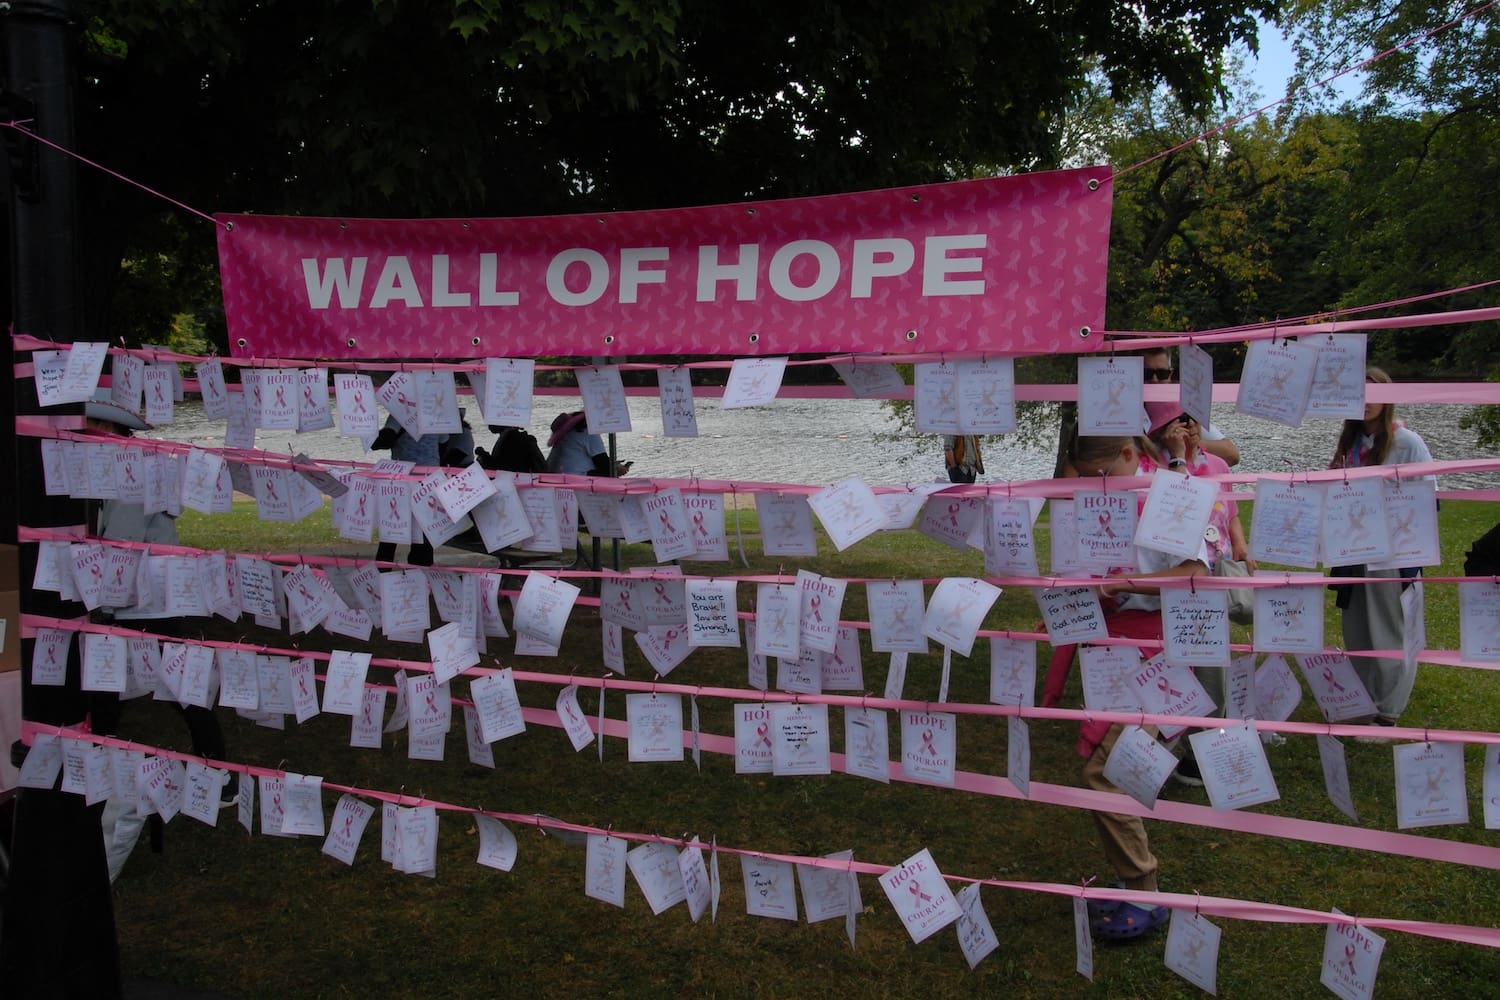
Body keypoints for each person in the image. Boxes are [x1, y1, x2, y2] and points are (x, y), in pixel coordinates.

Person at [81, 394, 234, 880]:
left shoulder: (128, 472)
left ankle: (214, 772)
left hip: (143, 599)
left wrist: (100, 607)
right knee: (156, 688)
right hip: (150, 596)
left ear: (107, 430)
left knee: (150, 686)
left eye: (90, 427)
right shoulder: (136, 465)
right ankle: (210, 771)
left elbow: (121, 544)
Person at [1067, 431, 1209, 940]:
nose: (1097, 487)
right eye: (1088, 481)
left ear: (1130, 454)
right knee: (1106, 768)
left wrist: (1126, 585)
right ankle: (1135, 884)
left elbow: (1196, 570)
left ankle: (1145, 893)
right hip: (1115, 650)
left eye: (1103, 474)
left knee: (1106, 772)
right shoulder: (1106, 502)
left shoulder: (1170, 497)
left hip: (1158, 656)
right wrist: (1075, 610)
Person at [1141, 400, 1253, 784]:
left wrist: (1240, 546)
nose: (1184, 429)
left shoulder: (1217, 466)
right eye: (1173, 424)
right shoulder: (1153, 467)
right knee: (1169, 664)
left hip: (1211, 575)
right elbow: (1177, 506)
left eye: (1189, 421)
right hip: (1172, 573)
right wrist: (1178, 457)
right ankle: (1154, 745)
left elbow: (1231, 512)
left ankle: (1198, 753)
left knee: (1209, 666)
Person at [1328, 367, 1433, 735]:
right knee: (1358, 631)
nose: (1366, 403)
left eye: (1373, 394)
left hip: (1393, 557)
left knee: (1390, 631)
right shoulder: (1351, 444)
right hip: (1354, 553)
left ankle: (1388, 712)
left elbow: (1426, 501)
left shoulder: (1407, 443)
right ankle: (1362, 702)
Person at [1140, 346, 1240, 467]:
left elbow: (1232, 455)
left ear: (1170, 374)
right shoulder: (1124, 414)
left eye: (1162, 374)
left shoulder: (1179, 409)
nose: (1154, 380)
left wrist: (1191, 443)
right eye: (1147, 374)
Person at [370, 416, 443, 566]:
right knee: (423, 534)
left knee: (392, 530)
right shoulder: (435, 415)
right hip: (430, 480)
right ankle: (421, 576)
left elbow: (383, 441)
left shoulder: (398, 414)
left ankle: (383, 573)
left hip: (405, 480)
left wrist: (370, 436)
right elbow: (443, 442)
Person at [545, 411, 630, 476]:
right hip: (577, 479)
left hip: (557, 477)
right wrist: (619, 469)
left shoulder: (567, 433)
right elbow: (605, 466)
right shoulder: (588, 432)